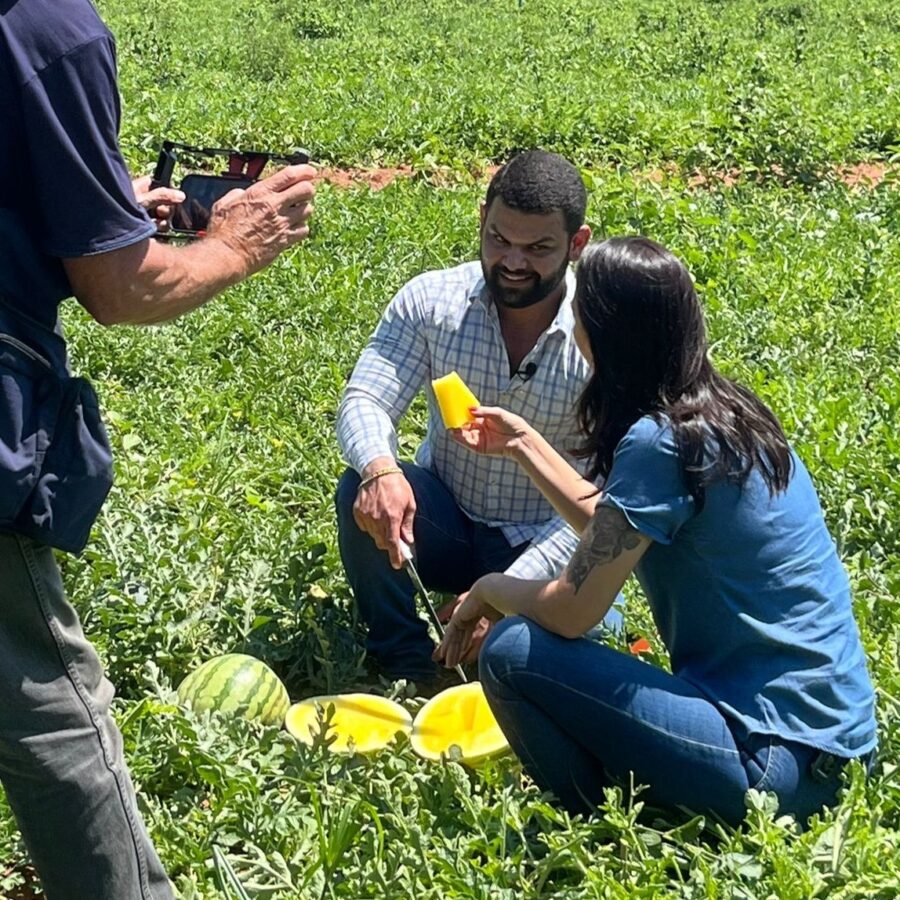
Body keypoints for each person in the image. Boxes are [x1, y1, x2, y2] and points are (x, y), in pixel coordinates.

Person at [1, 2, 315, 898]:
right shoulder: (48, 31)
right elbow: (124, 290)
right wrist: (234, 246)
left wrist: (91, 208)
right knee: (52, 705)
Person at [435, 236, 877, 827]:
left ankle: (591, 817)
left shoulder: (657, 441)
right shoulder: (724, 413)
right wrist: (520, 444)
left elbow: (571, 612)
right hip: (839, 751)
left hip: (768, 764)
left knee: (515, 651)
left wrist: (489, 589)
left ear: (604, 331)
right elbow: (614, 529)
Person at [335, 150, 624, 687]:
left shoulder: (603, 334)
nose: (513, 261)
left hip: (547, 538)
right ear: (482, 220)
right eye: (499, 239)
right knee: (359, 483)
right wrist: (381, 470)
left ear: (577, 244)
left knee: (583, 634)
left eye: (537, 249)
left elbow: (605, 502)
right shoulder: (432, 301)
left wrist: (507, 590)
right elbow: (365, 399)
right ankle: (406, 662)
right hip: (447, 516)